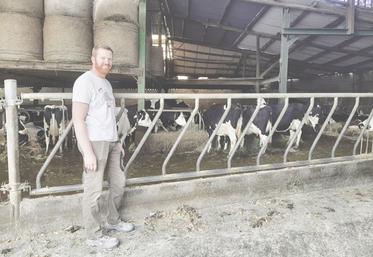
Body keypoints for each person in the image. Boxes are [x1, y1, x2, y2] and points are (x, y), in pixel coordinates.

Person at [72, 45, 134, 250]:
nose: (107, 62)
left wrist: (117, 141)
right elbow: (78, 120)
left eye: (110, 58)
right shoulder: (84, 82)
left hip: (111, 141)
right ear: (93, 58)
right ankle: (94, 235)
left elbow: (107, 117)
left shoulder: (106, 84)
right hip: (95, 143)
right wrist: (87, 151)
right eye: (103, 58)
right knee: (94, 190)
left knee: (118, 183)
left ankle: (112, 220)